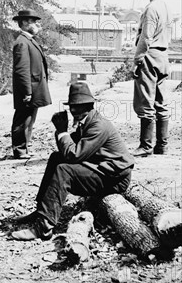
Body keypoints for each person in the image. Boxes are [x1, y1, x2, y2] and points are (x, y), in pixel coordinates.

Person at [11, 82, 134, 241]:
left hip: (114, 179)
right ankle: (42, 210)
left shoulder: (98, 126)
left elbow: (73, 155)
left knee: (64, 170)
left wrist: (62, 131)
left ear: (89, 106)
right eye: (72, 107)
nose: (74, 111)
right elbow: (65, 150)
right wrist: (62, 132)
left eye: (78, 107)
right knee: (56, 158)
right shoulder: (87, 122)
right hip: (102, 170)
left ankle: (44, 227)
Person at [132, 0, 172, 157]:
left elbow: (145, 37)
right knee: (161, 103)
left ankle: (146, 146)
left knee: (145, 102)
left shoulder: (151, 8)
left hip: (149, 56)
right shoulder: (165, 7)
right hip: (163, 56)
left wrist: (137, 60)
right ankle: (162, 146)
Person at [11, 9, 51, 159]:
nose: (36, 24)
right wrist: (27, 91)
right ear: (25, 23)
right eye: (33, 21)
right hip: (29, 89)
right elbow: (22, 70)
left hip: (34, 88)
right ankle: (20, 150)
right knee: (22, 120)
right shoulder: (22, 42)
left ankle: (25, 148)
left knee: (29, 120)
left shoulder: (29, 40)